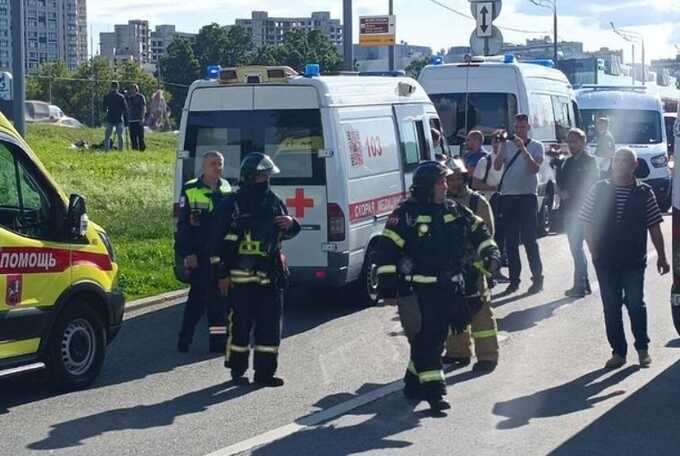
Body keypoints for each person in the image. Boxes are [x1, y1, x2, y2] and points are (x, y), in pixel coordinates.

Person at [375, 161, 499, 413]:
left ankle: (412, 382)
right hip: (417, 293)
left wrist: (491, 253)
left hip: (449, 290)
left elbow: (479, 230)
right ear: (427, 187)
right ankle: (435, 393)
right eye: (441, 182)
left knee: (433, 340)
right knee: (428, 341)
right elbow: (386, 251)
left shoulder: (453, 209)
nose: (446, 186)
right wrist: (388, 289)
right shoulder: (405, 215)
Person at [211, 152, 300, 387]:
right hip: (240, 278)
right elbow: (217, 241)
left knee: (270, 329)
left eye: (268, 176)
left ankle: (265, 373)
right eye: (263, 176)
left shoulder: (273, 201)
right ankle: (238, 371)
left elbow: (287, 229)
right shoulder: (232, 204)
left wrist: (292, 224)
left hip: (271, 276)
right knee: (239, 328)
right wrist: (221, 273)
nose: (267, 180)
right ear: (250, 177)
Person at [580, 148, 669, 369]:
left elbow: (654, 226)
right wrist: (594, 251)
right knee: (611, 307)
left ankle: (642, 349)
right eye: (617, 160)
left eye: (625, 160)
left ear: (634, 165)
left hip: (633, 260)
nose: (620, 164)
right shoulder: (600, 189)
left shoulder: (644, 192)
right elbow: (587, 221)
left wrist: (662, 257)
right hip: (606, 260)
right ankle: (618, 352)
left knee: (636, 304)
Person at [441, 158, 500, 373]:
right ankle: (458, 352)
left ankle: (487, 356)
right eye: (450, 179)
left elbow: (488, 235)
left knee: (480, 311)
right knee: (453, 310)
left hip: (474, 267)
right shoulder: (441, 203)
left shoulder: (477, 203)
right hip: (450, 268)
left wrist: (477, 263)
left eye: (458, 178)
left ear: (465, 178)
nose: (455, 182)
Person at [175, 151, 232, 353]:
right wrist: (187, 253)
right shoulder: (190, 189)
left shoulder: (226, 187)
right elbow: (183, 226)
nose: (217, 167)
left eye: (220, 163)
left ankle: (217, 343)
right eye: (213, 164)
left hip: (219, 253)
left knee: (218, 304)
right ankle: (185, 338)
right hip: (199, 253)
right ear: (203, 167)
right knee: (196, 302)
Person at [493, 113, 545, 295]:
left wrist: (523, 149)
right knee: (511, 242)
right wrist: (500, 146)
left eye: (522, 127)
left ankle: (537, 279)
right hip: (508, 197)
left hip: (527, 197)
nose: (519, 131)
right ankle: (514, 280)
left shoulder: (537, 146)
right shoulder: (506, 146)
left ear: (528, 128)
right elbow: (497, 167)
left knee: (530, 240)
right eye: (516, 128)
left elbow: (534, 169)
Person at [557, 128, 599, 298]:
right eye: (569, 141)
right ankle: (584, 283)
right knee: (576, 248)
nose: (571, 145)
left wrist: (571, 194)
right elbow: (561, 181)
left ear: (583, 142)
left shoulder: (589, 161)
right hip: (569, 209)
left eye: (574, 141)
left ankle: (580, 285)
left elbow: (591, 185)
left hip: (582, 210)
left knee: (577, 248)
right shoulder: (567, 161)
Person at [103, 81, 128, 151]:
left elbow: (104, 109)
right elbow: (125, 109)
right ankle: (120, 150)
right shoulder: (121, 97)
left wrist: (105, 116)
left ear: (111, 87)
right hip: (119, 118)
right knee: (120, 136)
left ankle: (106, 150)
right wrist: (125, 119)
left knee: (107, 136)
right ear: (118, 87)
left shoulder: (107, 96)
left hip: (110, 118)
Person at [127, 84, 147, 151]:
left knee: (140, 137)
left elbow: (143, 108)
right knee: (133, 137)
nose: (132, 90)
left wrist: (142, 118)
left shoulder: (140, 97)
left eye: (133, 89)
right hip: (131, 120)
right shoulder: (128, 98)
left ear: (136, 89)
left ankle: (142, 150)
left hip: (139, 119)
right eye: (131, 89)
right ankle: (134, 150)